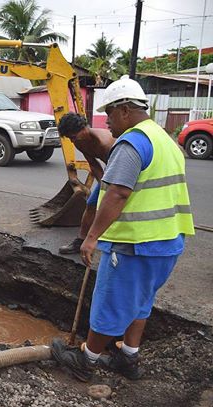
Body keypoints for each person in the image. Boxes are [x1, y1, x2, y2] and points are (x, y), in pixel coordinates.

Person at [51, 75, 195, 382]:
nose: (107, 121)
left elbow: (118, 193)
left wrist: (89, 238)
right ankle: (128, 358)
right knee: (140, 303)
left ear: (125, 110)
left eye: (110, 113)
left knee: (110, 302)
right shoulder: (163, 139)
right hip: (167, 242)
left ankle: (86, 361)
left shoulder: (130, 143)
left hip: (135, 244)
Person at [57, 113, 115, 254]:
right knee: (91, 204)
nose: (72, 141)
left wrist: (110, 190)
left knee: (113, 208)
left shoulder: (105, 141)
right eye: (70, 138)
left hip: (119, 173)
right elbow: (94, 165)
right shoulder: (80, 142)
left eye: (73, 137)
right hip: (108, 174)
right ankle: (80, 241)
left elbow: (118, 166)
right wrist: (103, 185)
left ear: (83, 128)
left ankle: (116, 245)